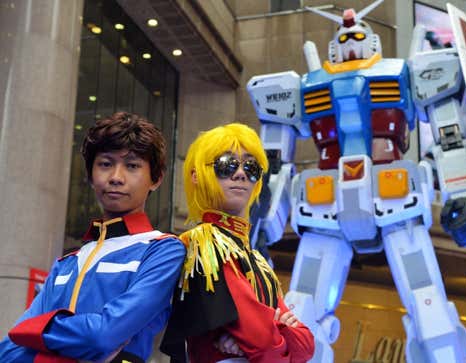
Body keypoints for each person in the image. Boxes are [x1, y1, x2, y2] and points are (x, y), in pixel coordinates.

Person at [0, 112, 186, 363]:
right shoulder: (66, 262)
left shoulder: (163, 249)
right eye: (105, 164)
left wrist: (35, 332)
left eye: (132, 166)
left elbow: (104, 335)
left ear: (156, 178)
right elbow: (8, 349)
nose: (116, 177)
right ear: (89, 175)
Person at [160, 123, 314, 363]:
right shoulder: (204, 243)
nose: (240, 174)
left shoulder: (258, 261)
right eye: (227, 165)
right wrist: (278, 331)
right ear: (197, 176)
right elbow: (261, 339)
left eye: (251, 167)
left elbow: (307, 345)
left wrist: (270, 337)